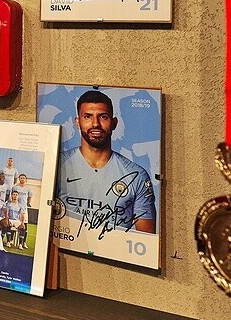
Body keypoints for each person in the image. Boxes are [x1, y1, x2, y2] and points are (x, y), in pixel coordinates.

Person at [57, 89, 156, 233]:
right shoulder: (56, 165)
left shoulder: (137, 176)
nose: (95, 124)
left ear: (114, 123)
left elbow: (146, 240)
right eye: (87, 117)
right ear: (77, 122)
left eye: (103, 117)